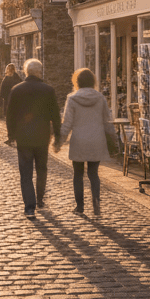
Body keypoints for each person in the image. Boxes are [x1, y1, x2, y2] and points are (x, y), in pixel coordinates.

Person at [5, 59, 61, 219]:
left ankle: (30, 207)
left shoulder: (17, 89)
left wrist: (11, 134)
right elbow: (55, 116)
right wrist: (57, 136)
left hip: (24, 137)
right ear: (39, 72)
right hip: (42, 136)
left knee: (26, 172)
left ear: (26, 72)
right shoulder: (48, 90)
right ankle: (40, 199)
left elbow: (10, 115)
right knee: (42, 169)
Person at [55, 68, 116, 216]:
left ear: (77, 82)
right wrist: (113, 138)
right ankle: (96, 201)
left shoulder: (72, 98)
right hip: (96, 139)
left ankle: (80, 206)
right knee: (93, 173)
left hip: (79, 140)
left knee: (78, 174)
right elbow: (107, 121)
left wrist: (59, 142)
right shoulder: (100, 98)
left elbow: (67, 123)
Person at [0, 63, 23, 145]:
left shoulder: (6, 79)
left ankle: (11, 138)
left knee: (9, 121)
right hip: (18, 103)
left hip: (9, 103)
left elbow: (2, 93)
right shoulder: (18, 79)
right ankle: (17, 137)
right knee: (17, 120)